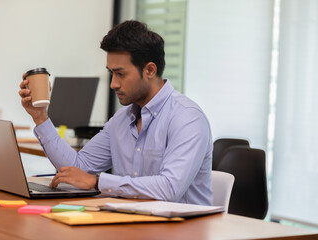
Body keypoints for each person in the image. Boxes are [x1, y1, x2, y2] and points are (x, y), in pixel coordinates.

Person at [19, 20, 213, 205]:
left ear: (150, 70)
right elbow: (78, 167)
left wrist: (97, 182)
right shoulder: (122, 119)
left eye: (121, 74)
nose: (113, 84)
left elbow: (169, 188)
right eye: (111, 73)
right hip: (132, 223)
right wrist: (40, 117)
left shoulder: (187, 118)